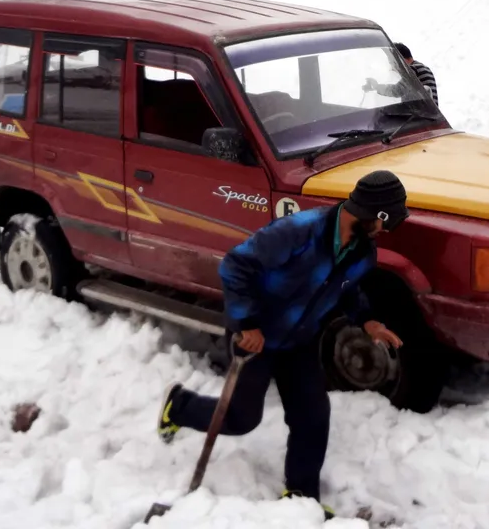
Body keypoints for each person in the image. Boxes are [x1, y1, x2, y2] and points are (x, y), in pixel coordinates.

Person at [156, 170, 409, 518]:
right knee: (242, 418)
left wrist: (367, 320)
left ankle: (301, 497)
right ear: (371, 213)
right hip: (256, 335)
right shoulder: (299, 231)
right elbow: (235, 265)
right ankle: (180, 406)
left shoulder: (363, 253)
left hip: (300, 340)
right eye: (386, 223)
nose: (385, 231)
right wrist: (246, 323)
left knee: (312, 415)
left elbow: (347, 289)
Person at [364, 42, 439, 107]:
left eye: (392, 62)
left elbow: (398, 90)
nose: (393, 68)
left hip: (423, 118)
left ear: (400, 59)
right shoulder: (421, 67)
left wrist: (377, 86)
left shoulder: (413, 69)